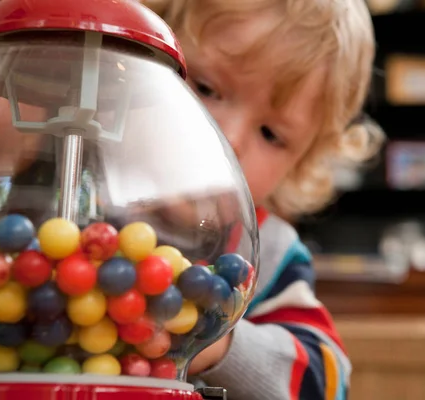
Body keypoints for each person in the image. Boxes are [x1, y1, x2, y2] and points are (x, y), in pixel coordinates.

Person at [143, 0, 385, 399]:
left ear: (300, 165)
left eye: (271, 134)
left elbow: (328, 380)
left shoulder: (271, 255)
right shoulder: (71, 185)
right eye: (205, 87)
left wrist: (216, 344)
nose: (230, 138)